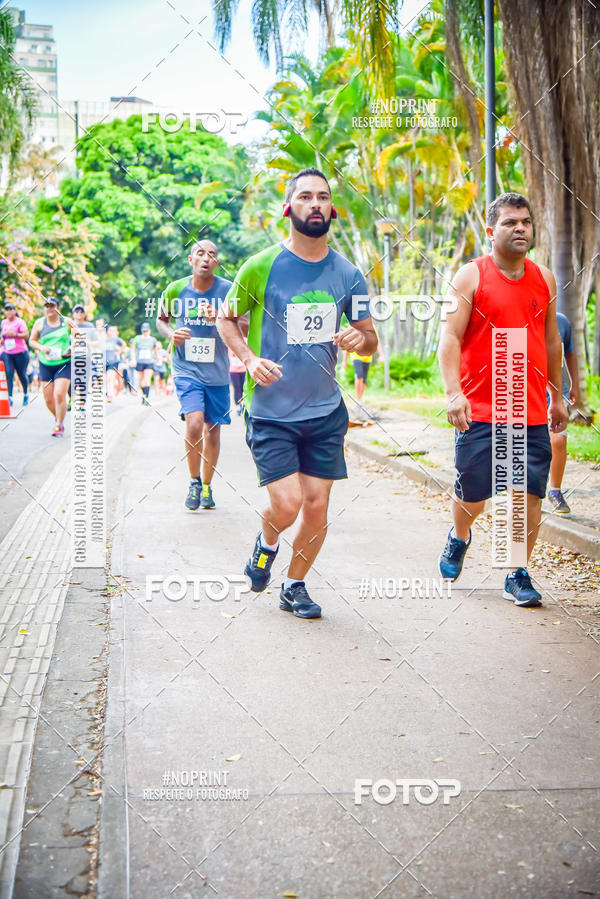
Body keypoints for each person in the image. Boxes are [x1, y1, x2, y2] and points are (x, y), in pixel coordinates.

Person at [217, 167, 377, 619]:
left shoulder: (348, 274)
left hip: (325, 410)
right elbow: (226, 320)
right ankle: (267, 542)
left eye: (323, 197)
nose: (316, 204)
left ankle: (295, 584)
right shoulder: (261, 265)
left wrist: (356, 339)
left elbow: (369, 335)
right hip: (271, 410)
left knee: (317, 504)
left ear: (332, 209)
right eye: (305, 197)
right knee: (286, 505)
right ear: (289, 208)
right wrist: (249, 359)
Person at [437, 192, 569, 608]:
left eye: (526, 222)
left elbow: (550, 341)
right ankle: (460, 534)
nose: (521, 229)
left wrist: (557, 395)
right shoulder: (470, 276)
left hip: (529, 408)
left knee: (527, 492)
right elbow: (450, 338)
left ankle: (516, 571)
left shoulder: (543, 278)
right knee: (473, 495)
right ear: (491, 231)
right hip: (479, 407)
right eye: (511, 222)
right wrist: (453, 393)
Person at [157, 239, 232, 511]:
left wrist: (221, 318)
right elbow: (161, 320)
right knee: (194, 422)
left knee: (213, 431)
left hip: (218, 373)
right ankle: (194, 481)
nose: (206, 258)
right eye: (200, 253)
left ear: (217, 262)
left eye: (212, 254)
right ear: (190, 260)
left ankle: (208, 486)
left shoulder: (227, 290)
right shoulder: (176, 289)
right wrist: (171, 335)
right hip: (186, 369)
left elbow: (245, 325)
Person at [547, 312, 580, 513]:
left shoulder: (562, 321)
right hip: (525, 391)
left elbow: (570, 353)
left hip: (558, 391)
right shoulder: (519, 315)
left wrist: (575, 384)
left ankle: (555, 491)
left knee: (558, 440)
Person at [29, 297, 74, 436]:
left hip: (63, 363)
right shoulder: (39, 323)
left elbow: (79, 336)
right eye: (47, 306)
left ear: (58, 307)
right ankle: (58, 417)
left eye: (52, 306)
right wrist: (42, 347)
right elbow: (31, 341)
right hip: (46, 364)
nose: (49, 309)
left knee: (59, 394)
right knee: (49, 399)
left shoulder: (66, 322)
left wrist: (72, 347)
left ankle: (59, 424)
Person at [0, 301, 30, 406]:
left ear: (14, 311)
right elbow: (3, 337)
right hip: (8, 352)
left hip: (21, 352)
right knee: (9, 374)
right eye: (6, 309)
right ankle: (10, 398)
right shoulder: (3, 322)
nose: (8, 311)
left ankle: (26, 394)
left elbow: (26, 335)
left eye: (10, 309)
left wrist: (15, 334)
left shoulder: (20, 322)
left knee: (21, 374)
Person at [131, 323, 158, 404]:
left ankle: (146, 397)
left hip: (149, 362)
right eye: (143, 331)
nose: (145, 332)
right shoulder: (137, 338)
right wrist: (133, 359)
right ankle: (144, 395)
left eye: (146, 331)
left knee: (147, 379)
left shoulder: (153, 340)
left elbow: (155, 350)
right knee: (141, 380)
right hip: (140, 361)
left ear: (149, 331)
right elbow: (133, 349)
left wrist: (157, 358)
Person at [228, 316, 249, 415]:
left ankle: (243, 404)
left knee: (242, 388)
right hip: (234, 370)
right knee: (237, 388)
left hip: (245, 369)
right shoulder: (231, 341)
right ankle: (240, 404)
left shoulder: (247, 341)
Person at [105, 325, 126, 400]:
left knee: (110, 378)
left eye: (113, 331)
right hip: (103, 362)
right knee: (104, 379)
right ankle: (107, 392)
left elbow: (124, 344)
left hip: (113, 361)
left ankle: (110, 394)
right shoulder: (102, 339)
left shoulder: (115, 339)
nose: (112, 332)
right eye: (110, 330)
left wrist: (119, 352)